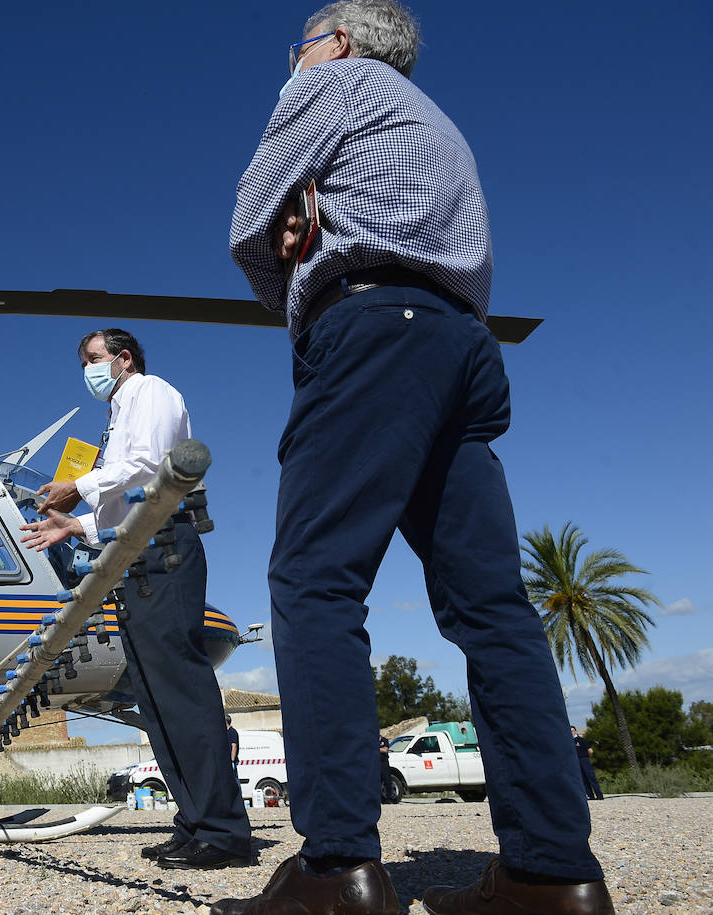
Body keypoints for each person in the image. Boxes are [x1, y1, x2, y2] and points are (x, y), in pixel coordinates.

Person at [218, 2, 615, 913]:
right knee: (493, 609)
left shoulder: (334, 84)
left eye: (301, 44)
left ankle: (337, 869)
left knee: (314, 581)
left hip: (371, 332)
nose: (294, 59)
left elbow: (248, 225)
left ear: (341, 43)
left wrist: (283, 262)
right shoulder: (439, 125)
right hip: (463, 345)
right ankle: (553, 870)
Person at [20, 329, 252, 870]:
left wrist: (80, 486)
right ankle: (195, 822)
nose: (89, 370)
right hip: (139, 553)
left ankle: (223, 831)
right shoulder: (119, 414)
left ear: (124, 359)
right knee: (154, 699)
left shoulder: (151, 394)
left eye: (95, 359)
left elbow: (148, 466)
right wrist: (75, 527)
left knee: (182, 691)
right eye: (84, 362)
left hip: (165, 550)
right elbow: (127, 501)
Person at [573, 726, 604, 801]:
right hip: (576, 761)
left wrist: (587, 758)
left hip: (584, 759)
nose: (571, 733)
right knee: (583, 779)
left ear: (576, 731)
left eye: (572, 731)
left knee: (591, 777)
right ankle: (590, 795)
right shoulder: (569, 742)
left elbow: (590, 751)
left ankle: (599, 795)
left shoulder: (582, 740)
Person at [379, 734, 393, 803]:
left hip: (384, 763)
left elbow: (385, 750)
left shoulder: (384, 740)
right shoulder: (372, 741)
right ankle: (380, 799)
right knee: (377, 782)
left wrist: (376, 749)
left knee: (387, 780)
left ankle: (389, 798)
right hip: (376, 763)